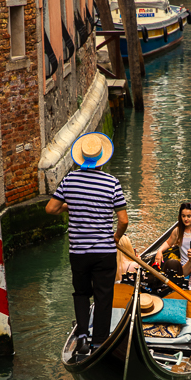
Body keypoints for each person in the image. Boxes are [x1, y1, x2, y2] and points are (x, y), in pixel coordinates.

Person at [45, 131, 128, 356]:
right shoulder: (112, 182)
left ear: (81, 158)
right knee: (103, 295)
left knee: (81, 293)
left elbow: (50, 208)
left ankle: (82, 337)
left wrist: (71, 205)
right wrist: (116, 237)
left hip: (79, 252)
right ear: (102, 158)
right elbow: (123, 220)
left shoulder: (70, 180)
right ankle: (100, 342)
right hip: (104, 252)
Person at [153, 202, 191, 272]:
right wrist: (159, 251)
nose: (186, 219)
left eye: (189, 216)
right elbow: (168, 243)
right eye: (183, 216)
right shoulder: (178, 231)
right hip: (185, 267)